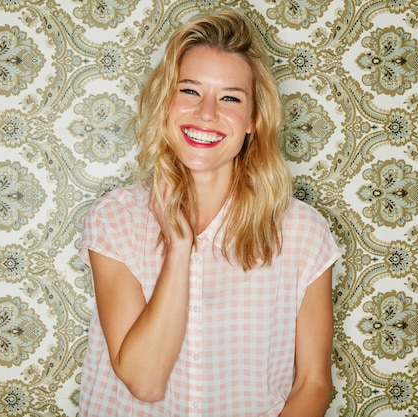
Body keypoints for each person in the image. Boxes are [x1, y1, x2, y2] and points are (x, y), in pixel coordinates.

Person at [78, 9, 342, 417]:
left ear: (253, 118)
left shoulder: (303, 231)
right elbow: (144, 381)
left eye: (230, 98)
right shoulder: (113, 220)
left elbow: (313, 383)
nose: (206, 113)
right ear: (166, 102)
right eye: (189, 91)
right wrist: (179, 248)